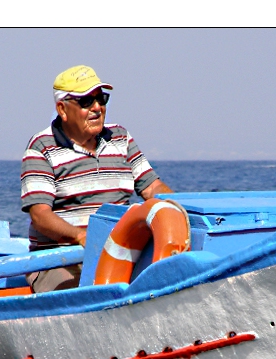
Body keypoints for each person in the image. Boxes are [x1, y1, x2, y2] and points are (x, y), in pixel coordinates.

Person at [20, 65, 173, 293]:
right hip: (60, 260)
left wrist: (180, 209)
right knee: (81, 294)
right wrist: (81, 236)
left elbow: (152, 187)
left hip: (121, 253)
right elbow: (40, 215)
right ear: (62, 109)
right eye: (86, 102)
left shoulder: (120, 138)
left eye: (101, 99)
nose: (97, 108)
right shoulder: (41, 147)